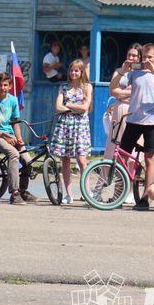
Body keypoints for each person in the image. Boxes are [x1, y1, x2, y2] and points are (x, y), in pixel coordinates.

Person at [110, 43, 154, 211]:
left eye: (150, 58)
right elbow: (113, 88)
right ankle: (119, 194)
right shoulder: (135, 73)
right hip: (133, 121)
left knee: (149, 159)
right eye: (144, 58)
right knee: (122, 157)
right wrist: (122, 71)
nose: (146, 61)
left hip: (152, 123)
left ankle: (146, 198)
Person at [0, 73, 34, 204]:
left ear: (10, 86)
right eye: (0, 85)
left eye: (5, 85)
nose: (2, 88)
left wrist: (19, 138)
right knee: (13, 153)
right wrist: (3, 136)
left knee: (28, 160)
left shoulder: (13, 100)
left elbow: (15, 121)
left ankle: (23, 190)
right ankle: (14, 193)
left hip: (9, 134)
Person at [50, 60, 93, 205]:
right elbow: (57, 107)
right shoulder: (63, 87)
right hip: (65, 126)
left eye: (77, 70)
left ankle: (87, 193)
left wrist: (67, 105)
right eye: (71, 70)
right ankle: (69, 194)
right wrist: (74, 108)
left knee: (82, 160)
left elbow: (85, 107)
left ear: (82, 72)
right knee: (65, 160)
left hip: (80, 126)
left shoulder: (87, 87)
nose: (73, 73)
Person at [105, 43, 143, 160]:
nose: (131, 58)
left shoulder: (142, 71)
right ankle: (113, 174)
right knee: (116, 143)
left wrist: (122, 93)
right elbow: (112, 91)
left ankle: (132, 175)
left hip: (136, 112)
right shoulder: (119, 71)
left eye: (134, 56)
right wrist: (132, 93)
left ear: (140, 57)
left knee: (135, 146)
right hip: (120, 110)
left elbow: (142, 92)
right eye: (129, 55)